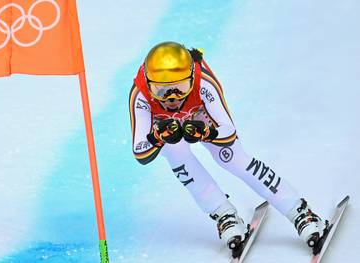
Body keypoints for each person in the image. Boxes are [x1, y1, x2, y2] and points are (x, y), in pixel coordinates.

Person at [128, 41, 328, 254]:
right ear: (149, 85)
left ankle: (299, 211)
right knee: (176, 154)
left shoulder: (204, 83)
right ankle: (224, 214)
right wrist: (157, 136)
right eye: (162, 90)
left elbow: (228, 130)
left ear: (192, 78)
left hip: (201, 115)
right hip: (165, 125)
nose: (172, 98)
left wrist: (207, 132)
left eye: (180, 88)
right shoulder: (140, 95)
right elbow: (140, 150)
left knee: (232, 158)